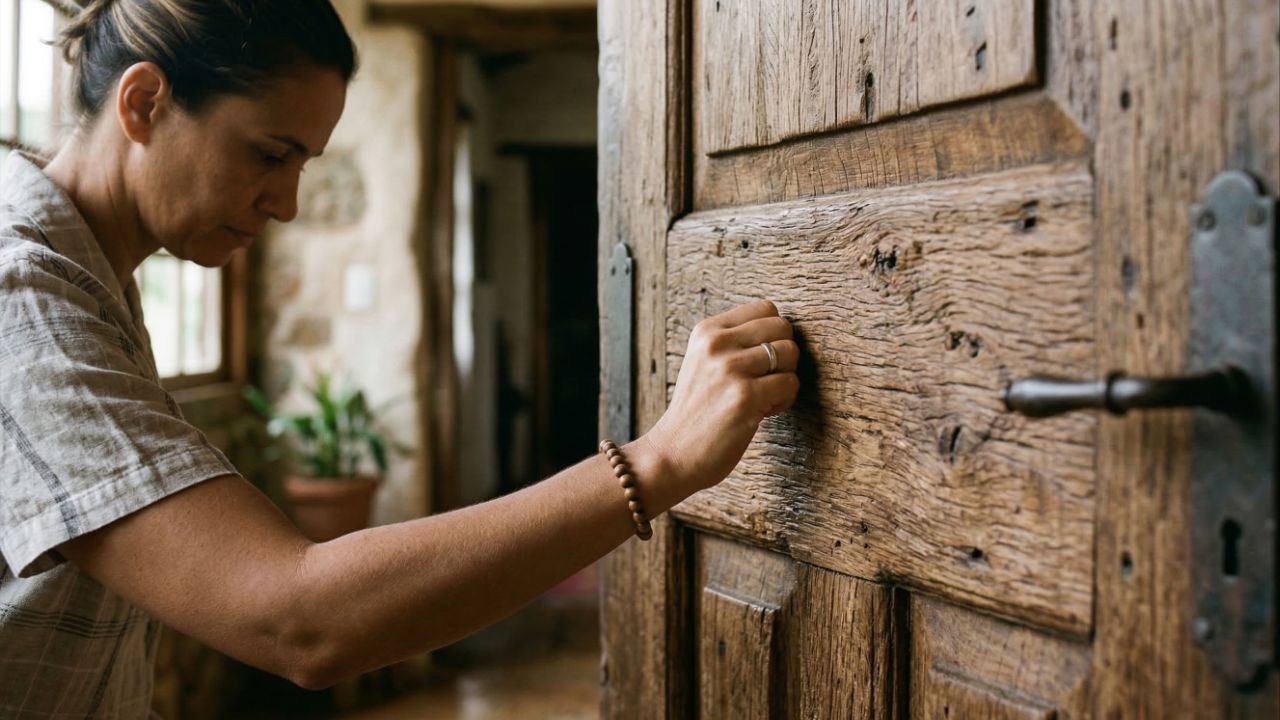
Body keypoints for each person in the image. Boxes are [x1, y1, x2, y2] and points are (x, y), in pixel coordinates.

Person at [0, 0, 800, 715]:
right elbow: (300, 620)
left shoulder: (87, 276)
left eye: (302, 164)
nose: (287, 203)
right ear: (144, 103)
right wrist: (660, 460)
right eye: (270, 154)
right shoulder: (24, 297)